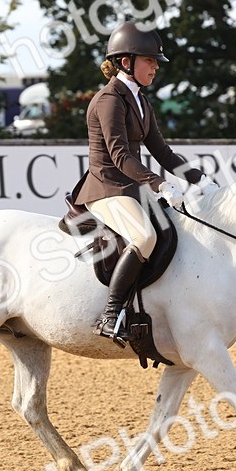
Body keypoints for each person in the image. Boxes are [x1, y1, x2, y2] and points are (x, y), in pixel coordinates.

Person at [74, 21, 216, 340]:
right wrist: (159, 184)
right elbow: (120, 154)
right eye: (150, 61)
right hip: (107, 187)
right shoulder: (109, 100)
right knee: (145, 237)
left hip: (131, 188)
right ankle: (110, 315)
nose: (155, 67)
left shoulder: (140, 100)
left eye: (155, 62)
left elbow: (163, 152)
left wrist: (201, 180)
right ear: (127, 62)